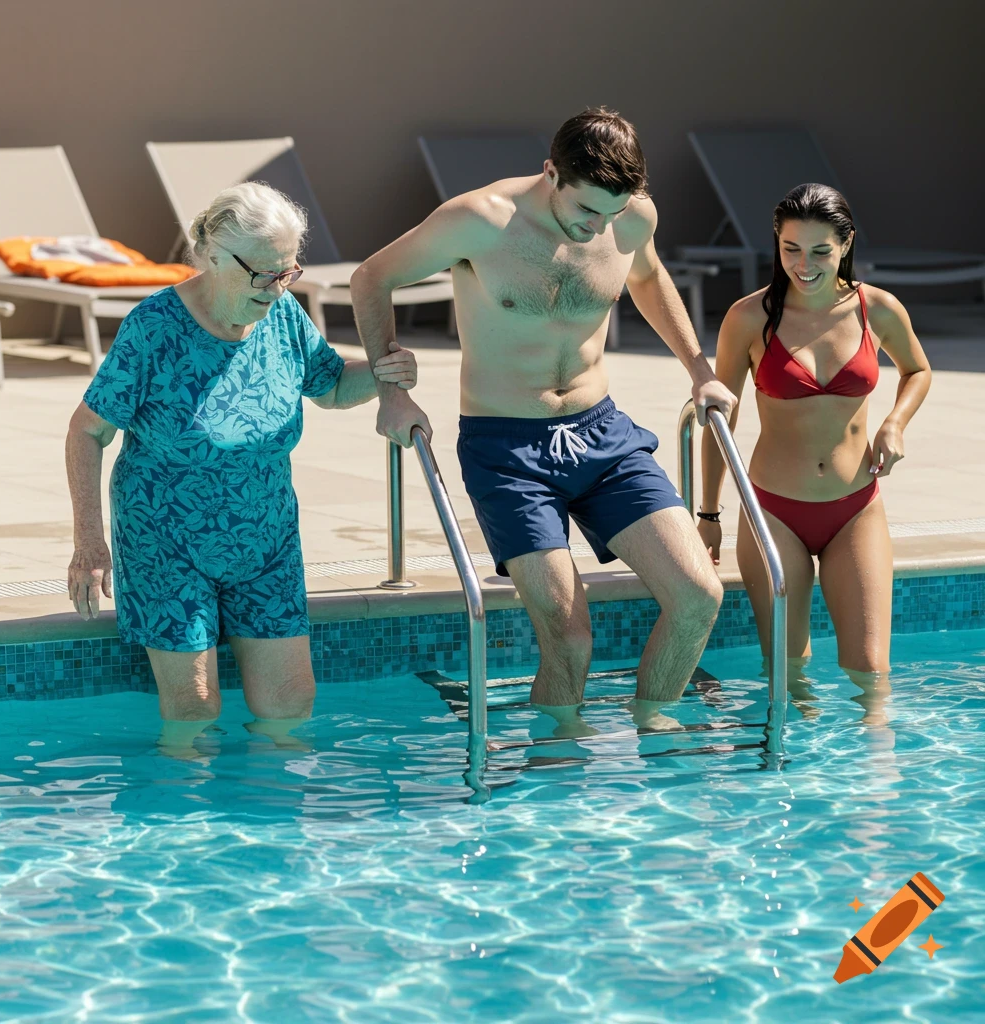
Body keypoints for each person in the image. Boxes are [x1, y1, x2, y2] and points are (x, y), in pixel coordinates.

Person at [350, 107, 736, 725]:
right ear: (552, 173)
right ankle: (557, 774)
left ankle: (655, 739)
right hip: (507, 450)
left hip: (601, 432)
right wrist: (391, 387)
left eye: (612, 214)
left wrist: (701, 370)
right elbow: (372, 277)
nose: (598, 227)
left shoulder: (631, 216)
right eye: (587, 210)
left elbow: (648, 277)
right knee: (570, 641)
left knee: (697, 597)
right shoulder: (479, 221)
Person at [65, 182, 417, 752]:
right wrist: (89, 540)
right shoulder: (154, 328)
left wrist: (385, 371)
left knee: (291, 703)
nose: (278, 288)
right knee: (195, 711)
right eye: (264, 274)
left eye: (288, 271)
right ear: (211, 256)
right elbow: (87, 430)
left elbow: (327, 386)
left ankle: (270, 831)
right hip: (167, 544)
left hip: (266, 543)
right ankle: (185, 831)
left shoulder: (282, 316)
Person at [698, 182, 931, 681]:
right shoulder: (747, 318)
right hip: (773, 513)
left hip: (855, 508)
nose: (805, 264)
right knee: (787, 668)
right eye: (791, 249)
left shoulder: (878, 309)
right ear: (777, 243)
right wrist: (709, 513)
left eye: (821, 251)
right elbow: (721, 418)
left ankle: (874, 760)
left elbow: (918, 369)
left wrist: (894, 422)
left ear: (846, 244)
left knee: (870, 669)